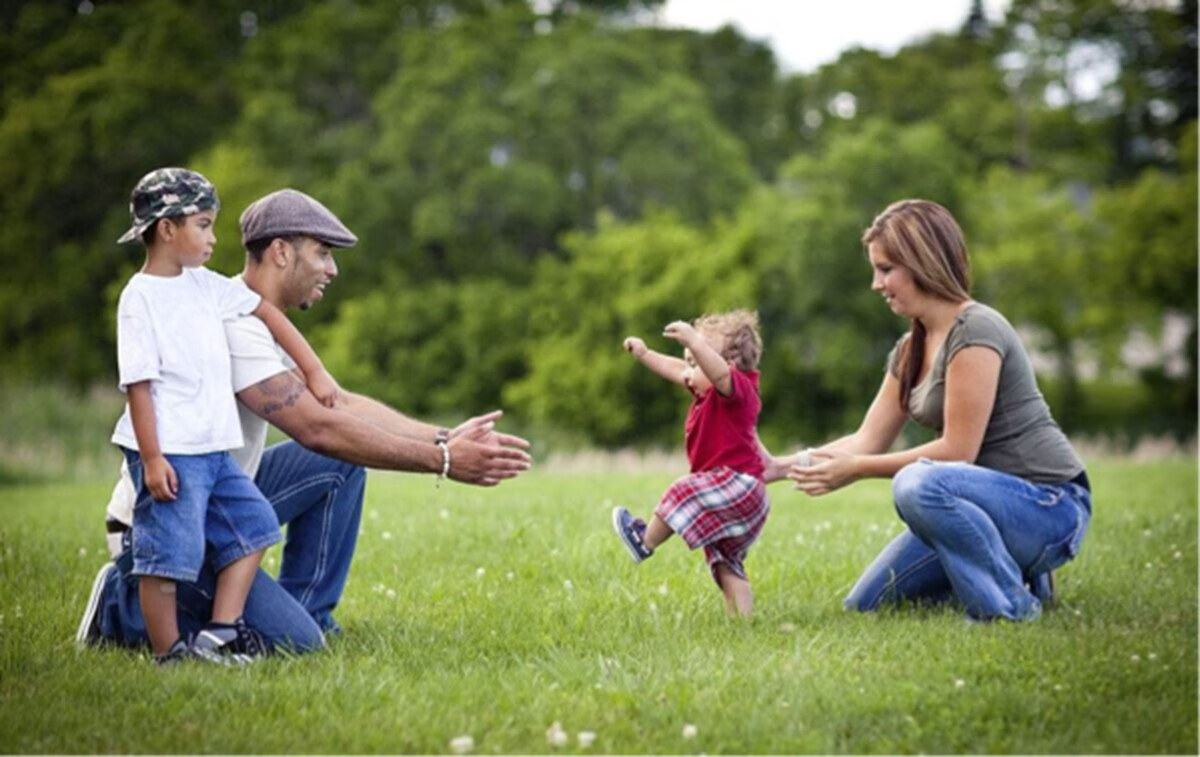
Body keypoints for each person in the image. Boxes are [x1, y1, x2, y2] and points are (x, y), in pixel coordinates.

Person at [78, 187, 533, 655]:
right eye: (322, 254)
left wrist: (443, 438)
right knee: (295, 645)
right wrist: (442, 460)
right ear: (280, 252)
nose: (332, 269)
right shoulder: (230, 324)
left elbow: (337, 407)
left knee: (340, 466)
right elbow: (316, 428)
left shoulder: (248, 313)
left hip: (219, 496)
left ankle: (306, 611)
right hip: (170, 509)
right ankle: (122, 603)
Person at [776, 199, 1091, 622]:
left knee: (918, 483)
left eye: (885, 269)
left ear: (922, 263)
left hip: (1049, 505)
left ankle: (1011, 608)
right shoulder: (911, 348)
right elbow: (865, 440)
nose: (875, 284)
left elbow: (958, 452)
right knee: (867, 606)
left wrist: (858, 468)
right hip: (976, 513)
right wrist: (775, 469)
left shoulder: (977, 329)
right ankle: (1016, 575)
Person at [111, 168, 338, 664]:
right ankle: (163, 647)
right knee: (171, 555)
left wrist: (314, 370)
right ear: (167, 229)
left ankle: (220, 633)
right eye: (204, 225)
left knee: (255, 525)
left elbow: (267, 313)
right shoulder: (139, 299)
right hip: (171, 450)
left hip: (214, 451)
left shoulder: (206, 286)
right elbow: (139, 385)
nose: (216, 238)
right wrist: (151, 458)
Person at [611, 310, 769, 617]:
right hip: (739, 494)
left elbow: (719, 373)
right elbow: (677, 369)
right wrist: (645, 354)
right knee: (724, 561)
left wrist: (697, 341)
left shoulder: (739, 391)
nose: (688, 370)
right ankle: (742, 621)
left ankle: (644, 540)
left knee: (684, 489)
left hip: (738, 485)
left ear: (728, 365)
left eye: (696, 362)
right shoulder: (707, 391)